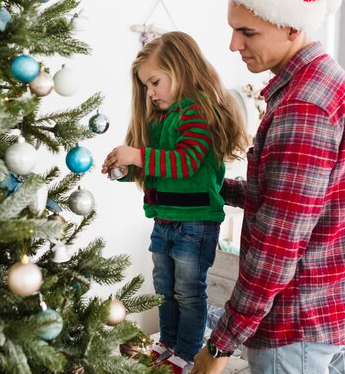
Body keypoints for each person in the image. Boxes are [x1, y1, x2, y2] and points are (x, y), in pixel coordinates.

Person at [191, 0, 345, 374]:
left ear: (292, 27)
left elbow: (276, 249)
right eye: (233, 28)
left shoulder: (304, 107)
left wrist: (219, 348)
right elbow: (286, 201)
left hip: (295, 321)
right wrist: (213, 185)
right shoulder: (321, 80)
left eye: (247, 32)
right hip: (316, 305)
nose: (234, 45)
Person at [101, 31, 248, 374]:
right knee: (163, 290)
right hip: (164, 220)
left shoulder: (197, 113)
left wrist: (137, 155)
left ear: (179, 70)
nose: (150, 93)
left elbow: (186, 163)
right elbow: (157, 171)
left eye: (154, 82)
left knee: (188, 293)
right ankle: (167, 342)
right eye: (146, 87)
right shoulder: (160, 120)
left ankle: (187, 349)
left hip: (195, 224)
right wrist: (124, 169)